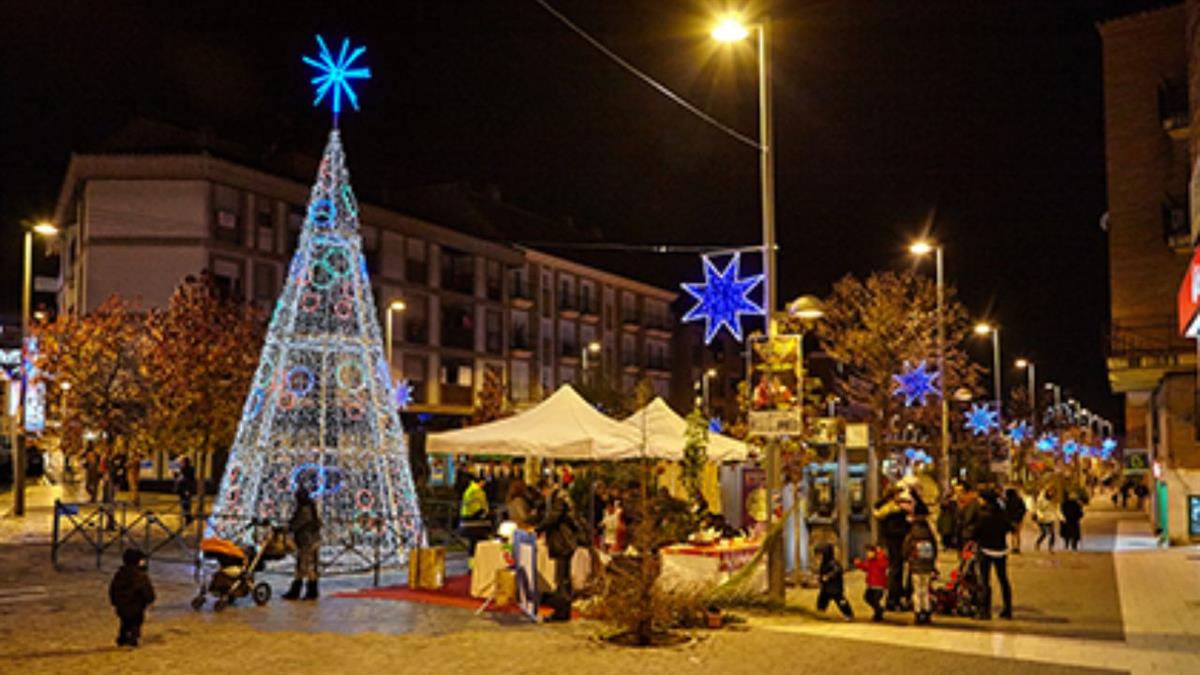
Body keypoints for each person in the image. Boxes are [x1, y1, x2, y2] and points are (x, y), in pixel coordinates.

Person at [535, 479, 582, 622]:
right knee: (563, 578)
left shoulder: (559, 499)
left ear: (546, 488)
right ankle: (563, 611)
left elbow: (552, 518)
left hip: (562, 542)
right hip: (565, 542)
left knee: (561, 579)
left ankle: (561, 613)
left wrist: (537, 529)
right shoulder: (563, 497)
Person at [975, 489, 1013, 619]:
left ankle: (985, 611)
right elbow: (1010, 528)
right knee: (1003, 579)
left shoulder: (982, 514)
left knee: (985, 580)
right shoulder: (1002, 513)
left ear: (985, 500)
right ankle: (1008, 609)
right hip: (1001, 550)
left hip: (985, 549)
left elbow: (976, 532)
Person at [873, 487, 911, 611]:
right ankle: (893, 598)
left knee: (895, 569)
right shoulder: (895, 511)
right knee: (896, 570)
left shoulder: (884, 509)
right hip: (896, 543)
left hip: (891, 542)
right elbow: (897, 529)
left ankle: (894, 597)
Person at [109, 548, 156, 647]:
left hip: (122, 605)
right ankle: (133, 638)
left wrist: (114, 602)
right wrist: (151, 600)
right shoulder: (140, 576)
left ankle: (122, 637)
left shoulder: (120, 574)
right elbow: (146, 589)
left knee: (125, 622)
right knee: (136, 622)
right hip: (136, 606)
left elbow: (113, 588)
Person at [283, 486, 321, 601]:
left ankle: (303, 591)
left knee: (305, 566)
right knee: (307, 566)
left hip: (307, 542)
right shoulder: (310, 507)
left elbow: (297, 523)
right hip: (312, 540)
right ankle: (307, 590)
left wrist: (288, 528)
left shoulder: (305, 509)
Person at [903, 505, 938, 625]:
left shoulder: (912, 531)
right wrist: (933, 563)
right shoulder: (928, 531)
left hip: (915, 564)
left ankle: (918, 612)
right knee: (926, 588)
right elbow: (935, 547)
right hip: (927, 564)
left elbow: (906, 547)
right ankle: (927, 611)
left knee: (917, 589)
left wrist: (906, 558)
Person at [815, 543, 854, 621]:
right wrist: (820, 578)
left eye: (821, 554)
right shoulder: (824, 563)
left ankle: (848, 614)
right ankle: (821, 613)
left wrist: (828, 576)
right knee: (822, 601)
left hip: (835, 588)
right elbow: (822, 573)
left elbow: (837, 571)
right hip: (826, 588)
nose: (819, 556)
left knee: (841, 602)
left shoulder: (833, 563)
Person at [853, 544, 889, 622]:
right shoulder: (870, 561)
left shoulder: (880, 559)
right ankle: (879, 611)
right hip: (871, 584)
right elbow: (866, 567)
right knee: (867, 598)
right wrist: (858, 564)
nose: (867, 554)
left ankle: (878, 613)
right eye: (867, 552)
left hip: (879, 585)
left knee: (875, 600)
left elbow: (884, 565)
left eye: (869, 552)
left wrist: (880, 554)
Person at [458, 475, 491, 558]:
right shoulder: (477, 491)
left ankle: (472, 567)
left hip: (466, 521)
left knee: (472, 548)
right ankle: (478, 566)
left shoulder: (469, 490)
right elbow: (480, 507)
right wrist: (484, 513)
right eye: (484, 482)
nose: (485, 484)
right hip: (475, 523)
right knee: (480, 547)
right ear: (481, 482)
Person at [1034, 487, 1060, 553]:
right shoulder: (1041, 499)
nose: (1051, 493)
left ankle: (1051, 548)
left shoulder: (1054, 500)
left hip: (1050, 518)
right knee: (1044, 533)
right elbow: (1039, 508)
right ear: (1047, 491)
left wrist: (1060, 517)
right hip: (1042, 518)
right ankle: (1038, 543)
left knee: (1052, 533)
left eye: (1053, 492)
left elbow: (1056, 509)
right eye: (1050, 491)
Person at [1004, 486, 1027, 554]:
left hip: (1011, 520)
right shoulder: (1020, 500)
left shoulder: (1007, 501)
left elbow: (1005, 511)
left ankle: (1013, 547)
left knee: (1013, 534)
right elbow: (1024, 509)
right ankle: (1018, 547)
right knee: (1018, 534)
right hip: (1019, 519)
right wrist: (1020, 515)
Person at [175, 457, 197, 525]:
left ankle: (188, 518)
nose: (181, 463)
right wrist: (176, 475)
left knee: (186, 504)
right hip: (182, 489)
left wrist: (187, 490)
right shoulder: (182, 468)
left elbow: (188, 479)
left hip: (186, 489)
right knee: (183, 503)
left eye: (182, 461)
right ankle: (186, 517)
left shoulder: (189, 469)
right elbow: (180, 478)